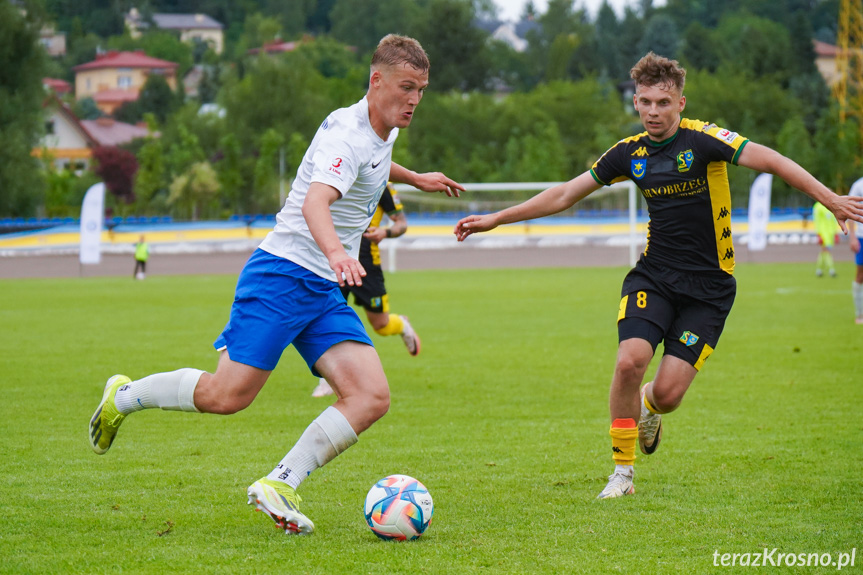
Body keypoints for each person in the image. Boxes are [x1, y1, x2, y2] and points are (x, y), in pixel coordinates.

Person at [89, 34, 463, 535]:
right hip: (283, 274)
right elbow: (315, 203)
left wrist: (415, 178)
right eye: (406, 87)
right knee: (227, 395)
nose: (415, 99)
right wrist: (336, 253)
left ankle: (280, 482)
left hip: (320, 290)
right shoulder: (344, 136)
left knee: (371, 395)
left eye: (421, 89)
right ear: (377, 81)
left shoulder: (379, 127)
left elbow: (372, 163)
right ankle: (125, 395)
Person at [454, 52, 863, 500]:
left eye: (663, 103)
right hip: (654, 278)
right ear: (635, 102)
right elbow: (566, 193)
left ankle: (650, 408)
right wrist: (497, 219)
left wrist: (831, 199)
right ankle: (622, 474)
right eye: (646, 102)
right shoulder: (628, 153)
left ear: (681, 103)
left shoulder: (705, 141)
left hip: (709, 290)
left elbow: (773, 161)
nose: (653, 111)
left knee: (667, 395)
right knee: (629, 360)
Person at [311, 183, 419, 399]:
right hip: (333, 260)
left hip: (367, 265)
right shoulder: (335, 176)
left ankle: (402, 325)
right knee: (324, 319)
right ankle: (326, 379)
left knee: (381, 325)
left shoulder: (382, 184)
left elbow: (401, 224)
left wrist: (385, 231)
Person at [813, 201, 840, 277]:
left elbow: (833, 220)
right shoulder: (818, 206)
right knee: (826, 250)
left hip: (830, 234)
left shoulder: (831, 205)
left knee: (823, 251)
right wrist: (819, 234)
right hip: (823, 233)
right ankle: (831, 270)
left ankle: (819, 270)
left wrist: (835, 233)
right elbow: (817, 221)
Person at [849, 177, 863, 324]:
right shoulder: (858, 185)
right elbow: (850, 213)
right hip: (861, 237)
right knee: (860, 275)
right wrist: (852, 237)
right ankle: (860, 314)